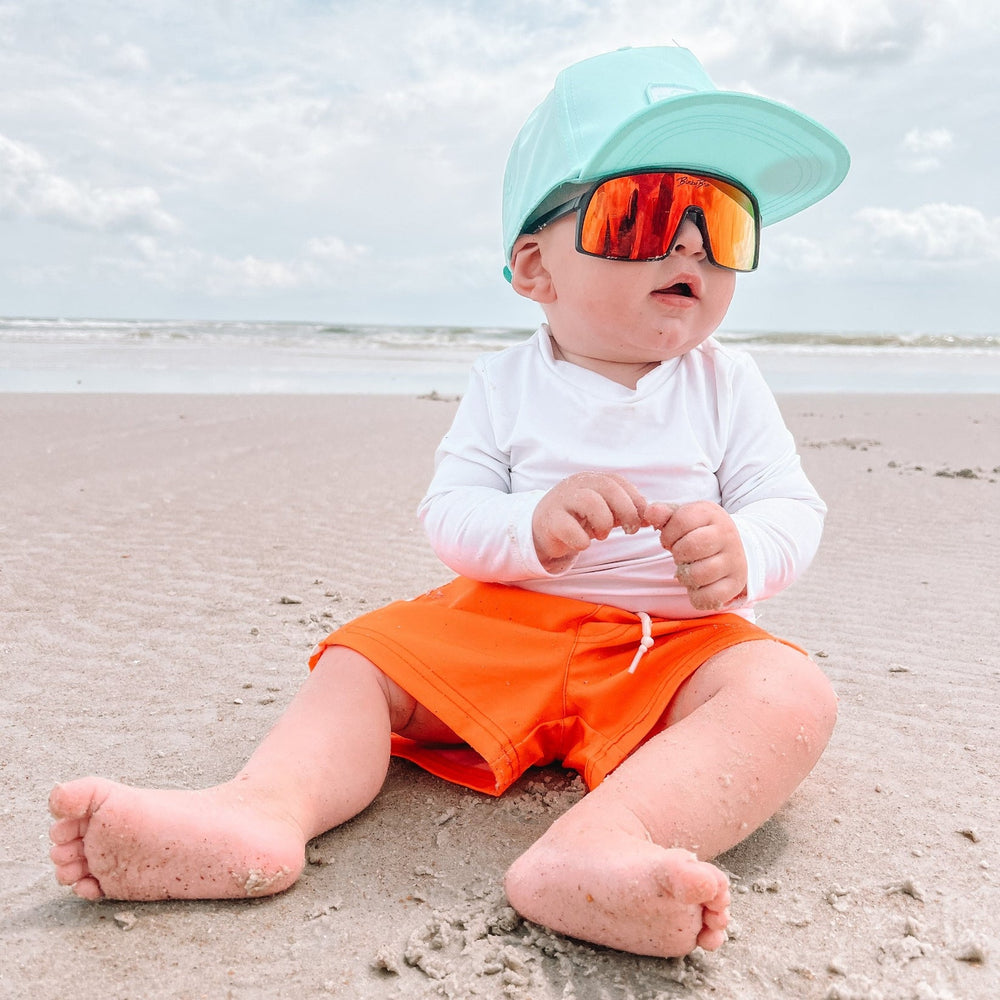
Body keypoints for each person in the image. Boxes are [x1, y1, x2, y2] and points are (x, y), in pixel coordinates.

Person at [48, 46, 849, 959]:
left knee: (787, 693)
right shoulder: (504, 386)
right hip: (507, 622)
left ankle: (606, 845)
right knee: (360, 662)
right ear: (534, 267)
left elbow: (790, 503)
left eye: (723, 222)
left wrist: (746, 545)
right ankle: (258, 813)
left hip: (671, 645)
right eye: (647, 213)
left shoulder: (726, 384)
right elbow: (452, 513)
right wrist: (529, 527)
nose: (691, 249)